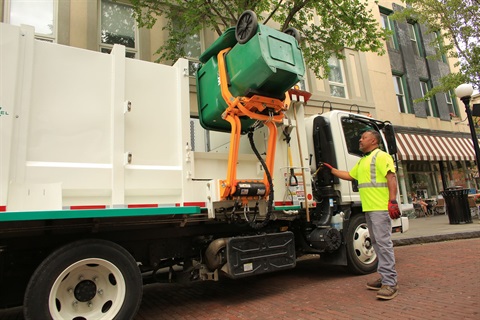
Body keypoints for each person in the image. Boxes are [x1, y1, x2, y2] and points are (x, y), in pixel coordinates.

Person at [322, 129, 400, 300]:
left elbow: (391, 177)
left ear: (373, 141)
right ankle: (385, 276)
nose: (360, 140)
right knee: (377, 244)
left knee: (383, 243)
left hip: (380, 207)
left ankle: (390, 282)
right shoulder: (364, 160)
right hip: (369, 208)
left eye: (363, 137)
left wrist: (392, 201)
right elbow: (350, 176)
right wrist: (332, 170)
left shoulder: (381, 156)